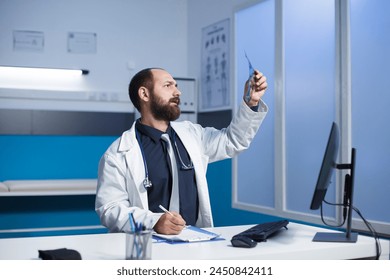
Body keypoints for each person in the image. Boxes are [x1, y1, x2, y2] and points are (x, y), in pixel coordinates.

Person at [95, 67, 268, 235]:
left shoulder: (192, 134)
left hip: (195, 240)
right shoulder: (118, 153)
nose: (177, 92)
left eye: (176, 85)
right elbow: (109, 209)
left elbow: (233, 140)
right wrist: (153, 221)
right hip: (149, 244)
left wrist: (250, 102)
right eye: (168, 85)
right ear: (144, 94)